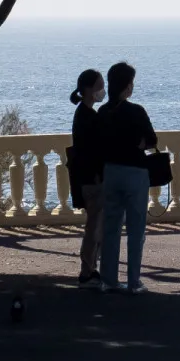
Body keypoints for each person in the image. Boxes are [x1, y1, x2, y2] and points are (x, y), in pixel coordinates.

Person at [96, 61, 158, 292]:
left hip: (111, 172)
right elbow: (152, 140)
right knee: (136, 229)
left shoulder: (103, 112)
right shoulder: (136, 111)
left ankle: (109, 280)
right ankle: (134, 281)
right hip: (135, 173)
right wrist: (139, 143)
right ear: (127, 86)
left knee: (111, 227)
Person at [68, 68, 107, 285]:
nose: (103, 91)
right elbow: (93, 150)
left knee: (96, 225)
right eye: (100, 86)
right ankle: (87, 270)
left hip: (88, 177)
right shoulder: (88, 116)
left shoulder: (83, 113)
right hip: (92, 179)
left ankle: (91, 268)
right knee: (94, 227)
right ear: (89, 89)